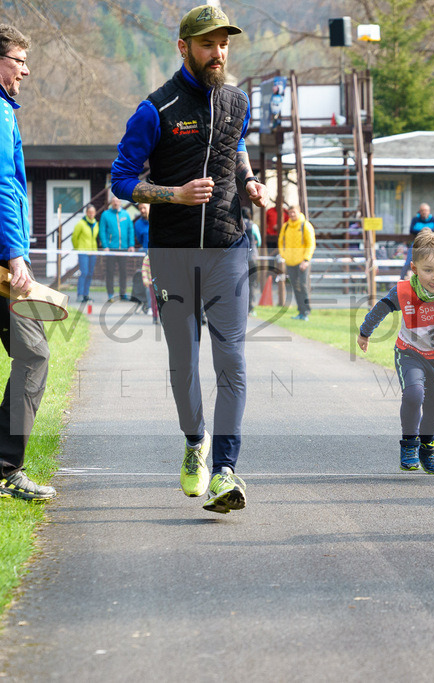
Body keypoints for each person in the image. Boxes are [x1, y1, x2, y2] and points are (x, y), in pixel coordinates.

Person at [109, 4, 270, 514]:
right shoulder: (155, 109)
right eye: (207, 44)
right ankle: (195, 441)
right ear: (184, 48)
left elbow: (234, 145)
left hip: (228, 248)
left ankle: (225, 469)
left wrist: (249, 181)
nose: (218, 52)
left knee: (232, 359)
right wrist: (173, 195)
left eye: (224, 43)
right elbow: (121, 180)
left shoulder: (238, 101)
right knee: (184, 364)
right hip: (173, 254)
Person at [357, 230, 434, 474]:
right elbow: (380, 309)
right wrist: (364, 332)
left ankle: (427, 448)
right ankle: (409, 445)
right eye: (428, 270)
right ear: (414, 268)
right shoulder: (403, 291)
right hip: (410, 352)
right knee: (414, 395)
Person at [0, 23, 55, 501]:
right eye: (19, 60)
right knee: (34, 354)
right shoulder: (0, 111)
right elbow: (3, 183)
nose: (26, 70)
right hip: (3, 261)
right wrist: (15, 252)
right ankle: (5, 469)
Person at [279, 205, 315, 321]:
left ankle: (306, 311)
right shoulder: (286, 226)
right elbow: (280, 242)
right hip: (290, 262)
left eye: (294, 212)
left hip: (302, 262)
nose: (292, 214)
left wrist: (306, 260)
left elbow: (311, 244)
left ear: (299, 212)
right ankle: (300, 311)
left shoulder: (305, 225)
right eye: (290, 213)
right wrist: (284, 255)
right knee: (295, 287)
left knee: (303, 286)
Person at [99, 195, 134, 301]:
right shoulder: (105, 214)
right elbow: (102, 231)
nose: (115, 203)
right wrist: (105, 246)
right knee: (110, 272)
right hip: (111, 249)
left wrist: (131, 245)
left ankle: (123, 293)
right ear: (111, 203)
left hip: (123, 248)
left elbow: (130, 230)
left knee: (123, 272)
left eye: (117, 201)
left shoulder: (126, 214)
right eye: (113, 201)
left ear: (120, 202)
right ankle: (110, 294)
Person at [72, 204, 100, 303]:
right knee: (84, 272)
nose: (91, 214)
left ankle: (86, 294)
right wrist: (78, 248)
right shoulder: (81, 223)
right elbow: (74, 238)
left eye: (93, 212)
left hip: (93, 252)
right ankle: (80, 294)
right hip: (83, 251)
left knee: (90, 273)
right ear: (86, 213)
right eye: (89, 212)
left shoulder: (96, 223)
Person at [242, 206, 261, 313]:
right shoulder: (253, 226)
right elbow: (259, 241)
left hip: (240, 257)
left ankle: (241, 307)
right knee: (252, 283)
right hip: (252, 256)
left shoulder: (238, 224)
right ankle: (251, 308)